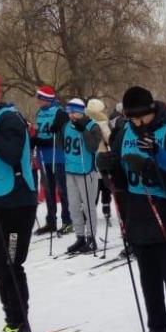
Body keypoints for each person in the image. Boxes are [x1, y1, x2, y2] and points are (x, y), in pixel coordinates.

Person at [96, 87, 166, 332]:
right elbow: (122, 182)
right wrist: (110, 167)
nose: (138, 125)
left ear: (153, 110)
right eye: (133, 120)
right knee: (148, 279)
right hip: (137, 212)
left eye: (143, 119)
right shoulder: (124, 133)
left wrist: (150, 168)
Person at [0, 72, 37, 332]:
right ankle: (11, 325)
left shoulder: (9, 118)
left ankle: (19, 327)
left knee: (10, 264)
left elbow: (12, 153)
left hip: (17, 203)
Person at [63, 98, 102, 254]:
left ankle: (91, 238)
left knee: (88, 206)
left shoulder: (93, 126)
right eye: (69, 112)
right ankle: (80, 237)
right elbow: (62, 144)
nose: (71, 115)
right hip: (70, 170)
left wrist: (83, 131)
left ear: (81, 112)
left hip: (87, 171)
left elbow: (93, 147)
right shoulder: (66, 125)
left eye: (74, 112)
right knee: (73, 206)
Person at [32, 86, 73, 236]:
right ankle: (51, 221)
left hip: (58, 155)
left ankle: (68, 221)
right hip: (44, 156)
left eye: (38, 97)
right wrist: (35, 140)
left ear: (46, 99)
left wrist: (50, 137)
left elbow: (64, 135)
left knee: (62, 190)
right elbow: (39, 131)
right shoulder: (39, 113)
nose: (36, 100)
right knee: (48, 190)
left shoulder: (60, 112)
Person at [86, 98, 113, 227]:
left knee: (92, 186)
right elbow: (109, 139)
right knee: (105, 185)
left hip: (87, 157)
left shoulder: (83, 120)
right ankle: (106, 209)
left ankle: (88, 213)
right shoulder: (102, 121)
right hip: (101, 156)